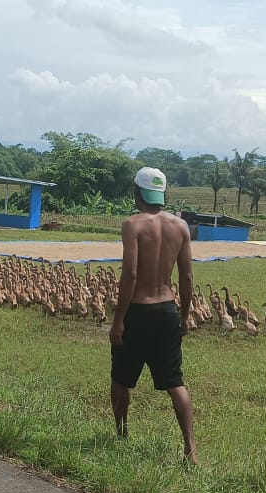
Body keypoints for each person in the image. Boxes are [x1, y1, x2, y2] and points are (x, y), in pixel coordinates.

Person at [109, 166, 197, 464]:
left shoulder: (132, 225)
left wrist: (119, 319)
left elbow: (131, 274)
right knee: (175, 382)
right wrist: (184, 316)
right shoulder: (181, 227)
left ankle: (121, 435)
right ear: (161, 194)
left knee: (122, 377)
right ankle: (190, 449)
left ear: (137, 194)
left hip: (138, 310)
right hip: (167, 309)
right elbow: (186, 277)